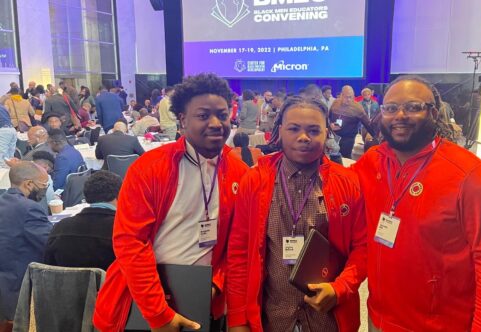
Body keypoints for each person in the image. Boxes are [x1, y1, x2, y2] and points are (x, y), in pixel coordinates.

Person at [351, 75, 481, 331]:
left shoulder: (471, 175)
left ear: (435, 112)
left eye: (414, 107)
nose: (400, 115)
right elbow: (335, 187)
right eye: (391, 108)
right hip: (379, 319)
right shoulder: (372, 161)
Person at [93, 73, 249, 332]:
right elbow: (130, 243)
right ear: (182, 120)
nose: (215, 123)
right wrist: (159, 314)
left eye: (222, 115)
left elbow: (237, 246)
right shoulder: (150, 169)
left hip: (202, 301)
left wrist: (217, 284)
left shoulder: (239, 172)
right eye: (202, 116)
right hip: (140, 302)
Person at [227, 96, 367, 332]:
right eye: (294, 129)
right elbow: (239, 253)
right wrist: (238, 319)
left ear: (326, 132)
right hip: (272, 316)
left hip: (329, 317)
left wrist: (340, 288)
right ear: (280, 131)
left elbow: (363, 248)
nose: (303, 137)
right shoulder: (255, 181)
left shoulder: (348, 182)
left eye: (314, 130)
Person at [0, 162, 52, 324]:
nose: (45, 189)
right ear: (29, 184)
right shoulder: (30, 208)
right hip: (20, 287)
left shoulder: (3, 201)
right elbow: (50, 244)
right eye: (44, 185)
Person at [44, 171, 122, 271]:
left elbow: (48, 269)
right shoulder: (123, 231)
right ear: (120, 195)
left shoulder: (60, 228)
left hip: (65, 286)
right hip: (110, 286)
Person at [329, 86, 376, 159]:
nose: (349, 100)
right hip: (334, 136)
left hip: (348, 137)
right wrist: (330, 125)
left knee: (345, 157)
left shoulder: (357, 107)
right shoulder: (335, 103)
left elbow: (368, 124)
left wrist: (377, 136)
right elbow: (328, 118)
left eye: (351, 97)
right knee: (332, 158)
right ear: (341, 95)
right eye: (346, 97)